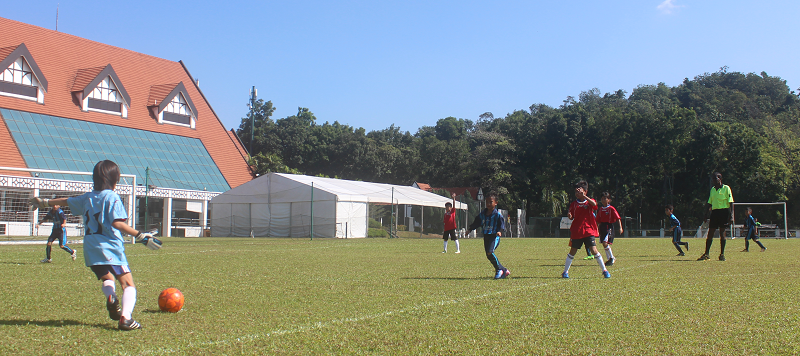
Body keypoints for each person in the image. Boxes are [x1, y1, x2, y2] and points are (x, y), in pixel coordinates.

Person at [29, 160, 162, 331]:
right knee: (128, 284)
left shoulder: (88, 197)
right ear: (116, 179)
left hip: (91, 248)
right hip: (110, 247)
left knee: (107, 279)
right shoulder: (112, 197)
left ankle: (111, 296)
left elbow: (67, 201)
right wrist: (142, 236)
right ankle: (126, 318)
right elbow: (117, 224)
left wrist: (44, 202)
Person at [562, 181, 610, 279]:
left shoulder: (589, 201)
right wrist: (570, 216)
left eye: (579, 191)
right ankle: (565, 272)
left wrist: (585, 197)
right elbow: (571, 215)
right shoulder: (574, 204)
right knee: (573, 251)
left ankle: (604, 270)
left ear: (585, 191)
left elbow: (595, 205)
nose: (577, 193)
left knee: (594, 250)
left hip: (588, 230)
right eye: (576, 192)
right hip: (577, 231)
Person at [466, 192, 509, 279]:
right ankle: (504, 270)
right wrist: (470, 229)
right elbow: (477, 222)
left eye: (491, 202)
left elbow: (502, 224)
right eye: (487, 202)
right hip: (486, 236)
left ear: (496, 203)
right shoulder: (482, 214)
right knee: (488, 255)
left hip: (494, 236)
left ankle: (499, 270)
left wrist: (500, 231)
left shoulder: (497, 215)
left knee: (490, 252)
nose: (488, 204)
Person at [698, 172, 733, 261]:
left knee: (722, 233)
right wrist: (705, 214)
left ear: (720, 179)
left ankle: (722, 254)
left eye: (715, 178)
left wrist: (731, 215)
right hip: (715, 212)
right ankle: (706, 253)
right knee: (710, 232)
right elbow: (709, 203)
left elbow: (731, 202)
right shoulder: (713, 190)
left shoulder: (726, 188)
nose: (714, 180)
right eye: (713, 179)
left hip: (724, 212)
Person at [596, 192, 623, 266]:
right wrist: (596, 229)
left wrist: (620, 227)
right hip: (602, 227)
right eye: (602, 199)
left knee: (605, 243)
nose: (603, 200)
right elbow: (598, 220)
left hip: (609, 227)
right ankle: (609, 259)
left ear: (609, 200)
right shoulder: (601, 209)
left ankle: (612, 258)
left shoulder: (611, 208)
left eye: (605, 198)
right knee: (604, 244)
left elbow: (618, 218)